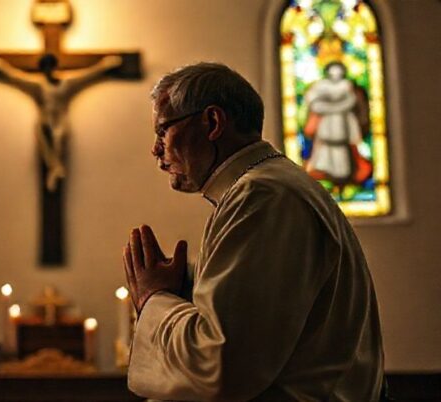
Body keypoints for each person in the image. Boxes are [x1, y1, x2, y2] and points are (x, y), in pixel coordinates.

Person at [122, 62, 384, 401]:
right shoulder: (268, 187)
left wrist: (154, 298)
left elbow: (221, 364)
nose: (155, 149)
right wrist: (185, 294)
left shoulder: (263, 196)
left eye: (163, 131)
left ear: (212, 122)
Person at [0, 53, 123, 191]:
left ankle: (55, 168)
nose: (48, 71)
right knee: (42, 135)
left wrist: (105, 65)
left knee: (59, 137)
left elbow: (87, 76)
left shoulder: (66, 84)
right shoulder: (39, 86)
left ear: (54, 67)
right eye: (45, 68)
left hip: (60, 120)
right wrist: (1, 67)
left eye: (50, 67)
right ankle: (54, 167)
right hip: (46, 120)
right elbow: (16, 77)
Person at [303, 61, 368, 185]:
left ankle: (343, 177)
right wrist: (335, 107)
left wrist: (332, 107)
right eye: (333, 71)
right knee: (325, 152)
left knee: (341, 154)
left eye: (338, 71)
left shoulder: (347, 86)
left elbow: (351, 101)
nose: (336, 74)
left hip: (342, 125)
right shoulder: (320, 87)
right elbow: (314, 103)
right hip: (326, 128)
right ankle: (326, 176)